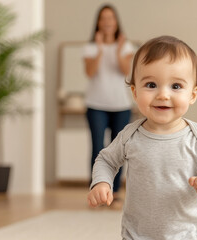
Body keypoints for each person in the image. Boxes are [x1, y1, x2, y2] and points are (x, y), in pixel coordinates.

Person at [87, 36, 197, 239]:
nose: (163, 95)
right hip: (136, 234)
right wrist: (102, 182)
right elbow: (106, 159)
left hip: (183, 235)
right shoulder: (130, 135)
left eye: (176, 86)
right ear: (135, 93)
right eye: (151, 85)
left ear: (193, 94)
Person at [83, 4, 135, 200]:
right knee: (97, 148)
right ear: (98, 22)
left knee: (119, 150)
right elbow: (90, 72)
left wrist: (119, 50)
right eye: (103, 18)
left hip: (121, 105)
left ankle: (114, 191)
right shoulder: (90, 47)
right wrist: (99, 50)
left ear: (116, 22)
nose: (107, 22)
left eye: (110, 18)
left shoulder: (126, 46)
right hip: (96, 104)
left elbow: (125, 71)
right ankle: (97, 189)